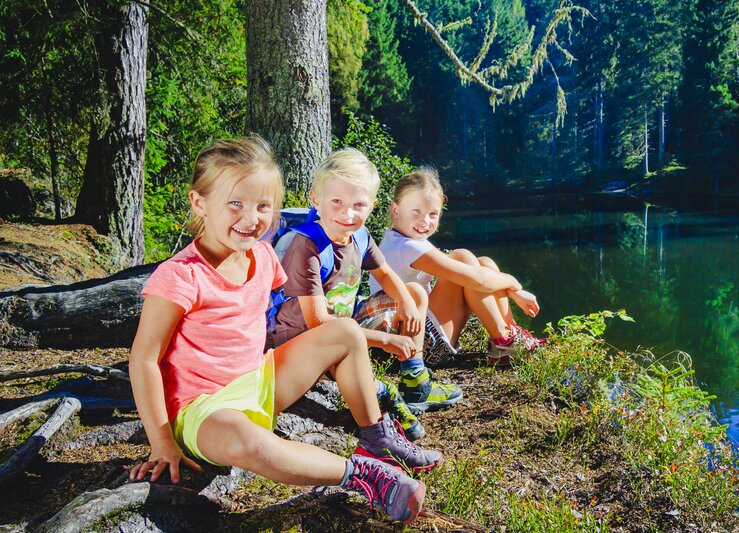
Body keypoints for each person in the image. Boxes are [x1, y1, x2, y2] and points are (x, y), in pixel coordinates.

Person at [127, 136, 440, 524]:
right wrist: (161, 441)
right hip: (204, 409)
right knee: (249, 443)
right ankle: (361, 475)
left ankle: (375, 437)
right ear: (199, 203)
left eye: (263, 206)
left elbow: (284, 309)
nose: (250, 218)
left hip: (260, 379)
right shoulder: (180, 276)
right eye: (235, 204)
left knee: (344, 331)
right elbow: (143, 359)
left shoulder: (261, 255)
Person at [270, 148, 461, 415]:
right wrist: (383, 340)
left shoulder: (359, 235)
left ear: (371, 205)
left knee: (415, 292)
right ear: (316, 199)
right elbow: (318, 322)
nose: (348, 214)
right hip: (303, 337)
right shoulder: (306, 247)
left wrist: (406, 302)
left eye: (358, 205)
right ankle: (378, 396)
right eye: (336, 202)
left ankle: (415, 380)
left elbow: (384, 273)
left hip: (347, 318)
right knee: (345, 339)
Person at [369, 166, 545, 366]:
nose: (425, 221)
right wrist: (514, 286)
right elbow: (477, 280)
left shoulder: (404, 238)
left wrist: (512, 291)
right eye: (416, 211)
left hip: (419, 333)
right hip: (414, 346)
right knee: (462, 258)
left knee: (484, 263)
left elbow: (479, 276)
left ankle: (510, 335)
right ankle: (504, 342)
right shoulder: (405, 247)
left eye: (433, 214)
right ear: (396, 210)